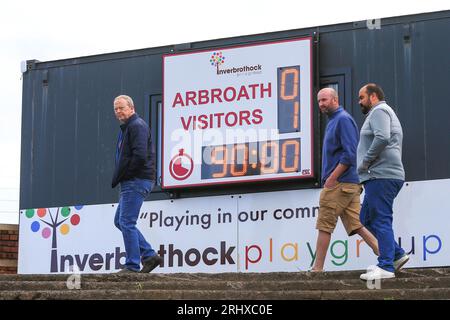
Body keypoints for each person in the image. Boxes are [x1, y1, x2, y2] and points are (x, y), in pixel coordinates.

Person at [311, 88, 379, 272]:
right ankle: (389, 255)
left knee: (324, 224)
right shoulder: (335, 120)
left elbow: (350, 155)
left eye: (324, 100)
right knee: (356, 225)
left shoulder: (342, 119)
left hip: (340, 183)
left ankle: (317, 269)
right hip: (348, 183)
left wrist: (332, 178)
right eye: (319, 101)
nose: (321, 104)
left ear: (335, 99)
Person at [357, 84, 409, 281]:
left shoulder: (379, 111)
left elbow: (382, 137)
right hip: (378, 176)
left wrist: (365, 161)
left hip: (381, 175)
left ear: (373, 96)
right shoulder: (380, 112)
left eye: (361, 97)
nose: (359, 101)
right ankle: (396, 255)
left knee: (380, 219)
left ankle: (386, 266)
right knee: (366, 219)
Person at [112, 95, 163, 273]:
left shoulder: (137, 126)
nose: (118, 111)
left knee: (126, 221)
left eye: (121, 108)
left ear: (131, 108)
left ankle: (132, 265)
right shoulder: (127, 128)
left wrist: (127, 174)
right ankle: (149, 255)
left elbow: (140, 155)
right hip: (132, 181)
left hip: (136, 180)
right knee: (120, 221)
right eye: (116, 108)